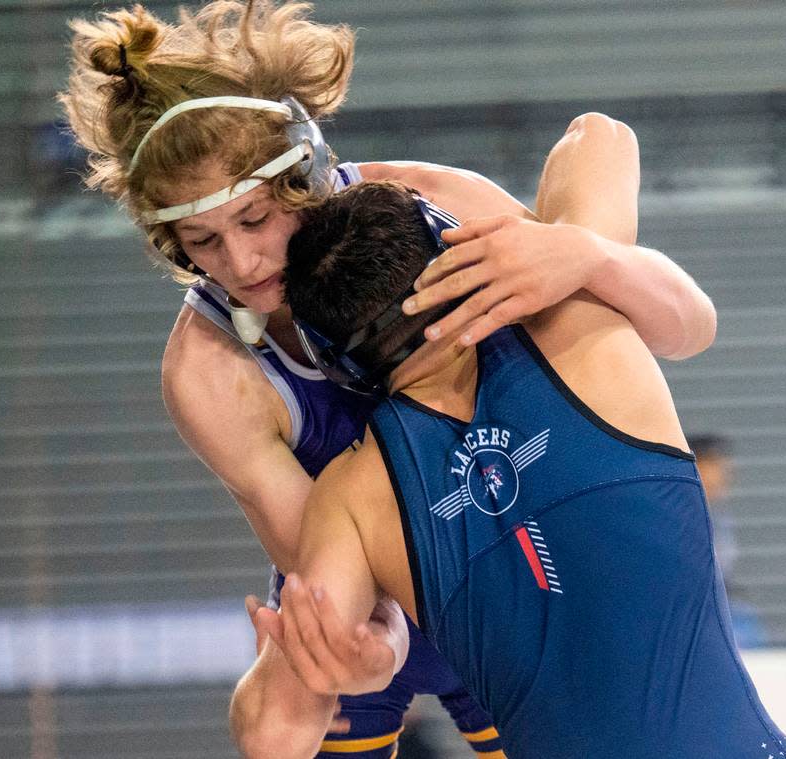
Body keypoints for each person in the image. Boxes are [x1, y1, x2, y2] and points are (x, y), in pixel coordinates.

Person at [60, 2, 717, 756]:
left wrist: (585, 253)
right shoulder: (208, 372)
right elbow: (327, 564)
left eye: (255, 218)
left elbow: (665, 311)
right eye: (203, 241)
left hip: (506, 559)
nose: (242, 265)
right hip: (371, 587)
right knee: (274, 727)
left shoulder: (435, 208)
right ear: (173, 246)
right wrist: (381, 649)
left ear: (303, 169)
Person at [238, 178, 786, 758]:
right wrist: (576, 247)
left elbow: (271, 736)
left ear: (331, 358)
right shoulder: (582, 331)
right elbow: (600, 135)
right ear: (455, 258)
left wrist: (354, 669)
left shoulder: (353, 496)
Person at [692, 433, 768, 648]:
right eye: (717, 467)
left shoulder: (718, 515)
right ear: (699, 468)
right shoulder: (686, 517)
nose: (725, 476)